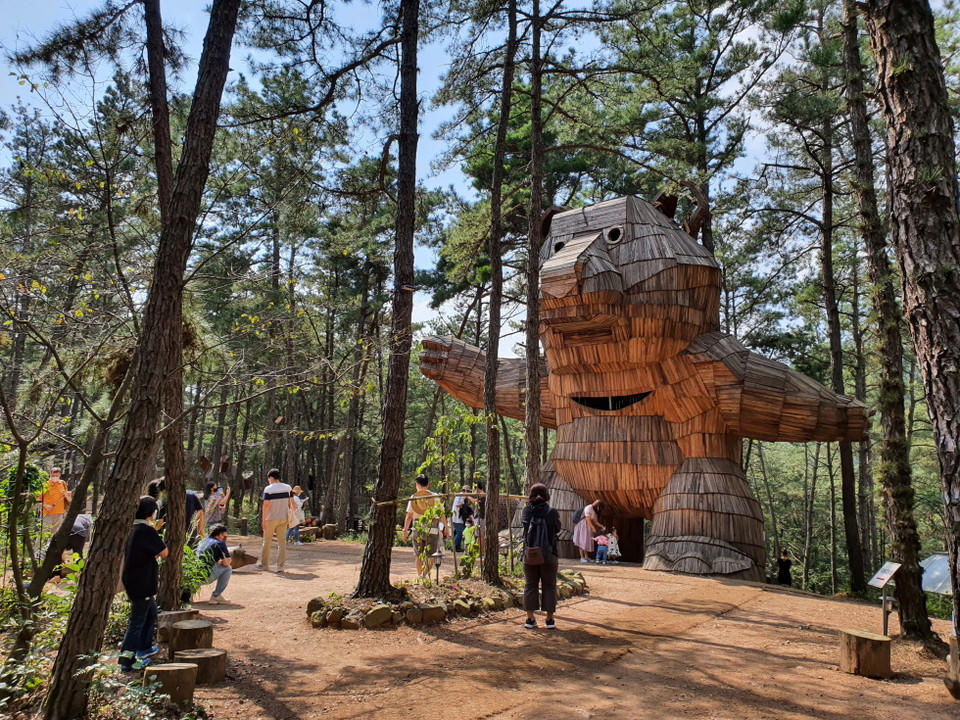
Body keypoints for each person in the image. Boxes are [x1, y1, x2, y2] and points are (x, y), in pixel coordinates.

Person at [119, 496, 167, 672]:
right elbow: (164, 552)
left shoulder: (132, 528)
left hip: (134, 580)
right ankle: (127, 662)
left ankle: (145, 648)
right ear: (151, 513)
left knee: (151, 614)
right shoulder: (146, 531)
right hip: (142, 582)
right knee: (137, 621)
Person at [521, 483, 562, 630]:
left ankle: (530, 619)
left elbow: (525, 529)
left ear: (530, 495)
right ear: (546, 495)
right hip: (549, 554)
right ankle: (549, 620)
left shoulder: (526, 511)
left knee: (530, 585)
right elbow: (557, 529)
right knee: (549, 586)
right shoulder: (551, 512)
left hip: (530, 554)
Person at [401, 474, 449, 576]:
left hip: (417, 526)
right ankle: (423, 576)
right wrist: (446, 528)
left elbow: (409, 516)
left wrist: (405, 531)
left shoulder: (414, 497)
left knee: (418, 554)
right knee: (431, 554)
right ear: (428, 484)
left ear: (416, 484)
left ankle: (419, 576)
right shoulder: (435, 496)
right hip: (432, 526)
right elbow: (441, 514)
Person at [257, 468, 295, 573]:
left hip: (270, 518)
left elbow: (266, 505)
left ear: (271, 478)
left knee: (267, 541)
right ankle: (280, 566)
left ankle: (264, 564)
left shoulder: (268, 489)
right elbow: (292, 503)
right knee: (282, 542)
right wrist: (292, 514)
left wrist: (263, 520)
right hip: (283, 518)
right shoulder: (288, 488)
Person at [196, 524, 233, 604]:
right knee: (228, 568)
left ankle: (188, 595)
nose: (224, 537)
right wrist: (222, 561)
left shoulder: (202, 541)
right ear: (220, 534)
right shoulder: (220, 543)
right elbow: (227, 562)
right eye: (224, 535)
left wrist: (217, 561)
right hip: (205, 577)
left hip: (194, 577)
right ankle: (216, 596)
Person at [38, 467, 71, 537]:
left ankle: (51, 548)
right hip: (47, 513)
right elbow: (37, 500)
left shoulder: (63, 483)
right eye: (53, 476)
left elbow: (69, 500)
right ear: (50, 474)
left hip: (59, 513)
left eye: (57, 476)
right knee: (43, 534)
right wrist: (45, 506)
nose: (55, 477)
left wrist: (68, 495)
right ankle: (38, 548)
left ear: (60, 475)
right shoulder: (45, 485)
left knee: (55, 535)